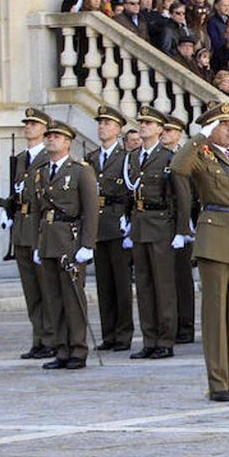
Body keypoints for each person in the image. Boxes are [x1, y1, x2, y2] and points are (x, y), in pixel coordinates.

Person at [170, 102, 229, 402]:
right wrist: (199, 137)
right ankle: (218, 381)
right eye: (223, 126)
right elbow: (177, 167)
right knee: (215, 315)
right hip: (215, 237)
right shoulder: (201, 155)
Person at [123, 106, 192, 360]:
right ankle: (149, 338)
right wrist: (127, 222)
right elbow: (129, 194)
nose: (143, 126)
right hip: (140, 225)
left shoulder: (169, 157)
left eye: (149, 124)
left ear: (160, 130)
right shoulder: (133, 157)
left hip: (162, 225)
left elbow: (181, 196)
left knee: (164, 285)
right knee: (143, 285)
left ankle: (165, 339)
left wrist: (181, 230)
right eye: (141, 123)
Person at [32, 120, 99, 370]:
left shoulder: (80, 171)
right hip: (48, 239)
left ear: (68, 142)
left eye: (56, 137)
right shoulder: (41, 172)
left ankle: (78, 350)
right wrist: (38, 245)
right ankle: (61, 348)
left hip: (70, 240)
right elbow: (39, 212)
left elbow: (91, 210)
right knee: (53, 299)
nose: (51, 140)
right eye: (49, 136)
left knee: (72, 299)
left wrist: (87, 244)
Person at [1, 108, 54, 359]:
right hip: (22, 229)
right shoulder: (21, 158)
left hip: (38, 228)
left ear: (45, 129)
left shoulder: (48, 157)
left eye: (34, 124)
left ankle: (52, 337)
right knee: (31, 290)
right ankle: (39, 338)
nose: (28, 127)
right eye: (27, 124)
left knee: (46, 287)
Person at [85, 105, 134, 353]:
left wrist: (128, 220)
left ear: (118, 129)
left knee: (121, 283)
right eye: (100, 123)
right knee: (103, 284)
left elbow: (130, 192)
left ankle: (124, 333)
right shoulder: (91, 159)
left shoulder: (126, 158)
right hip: (98, 225)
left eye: (107, 123)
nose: (102, 127)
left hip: (117, 223)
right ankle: (109, 333)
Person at [161, 114, 197, 344]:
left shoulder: (186, 157)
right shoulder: (160, 157)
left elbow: (190, 194)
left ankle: (186, 325)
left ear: (179, 134)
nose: (165, 134)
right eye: (163, 130)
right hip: (164, 221)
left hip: (184, 221)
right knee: (167, 278)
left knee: (183, 278)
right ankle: (172, 324)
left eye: (170, 131)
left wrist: (187, 225)